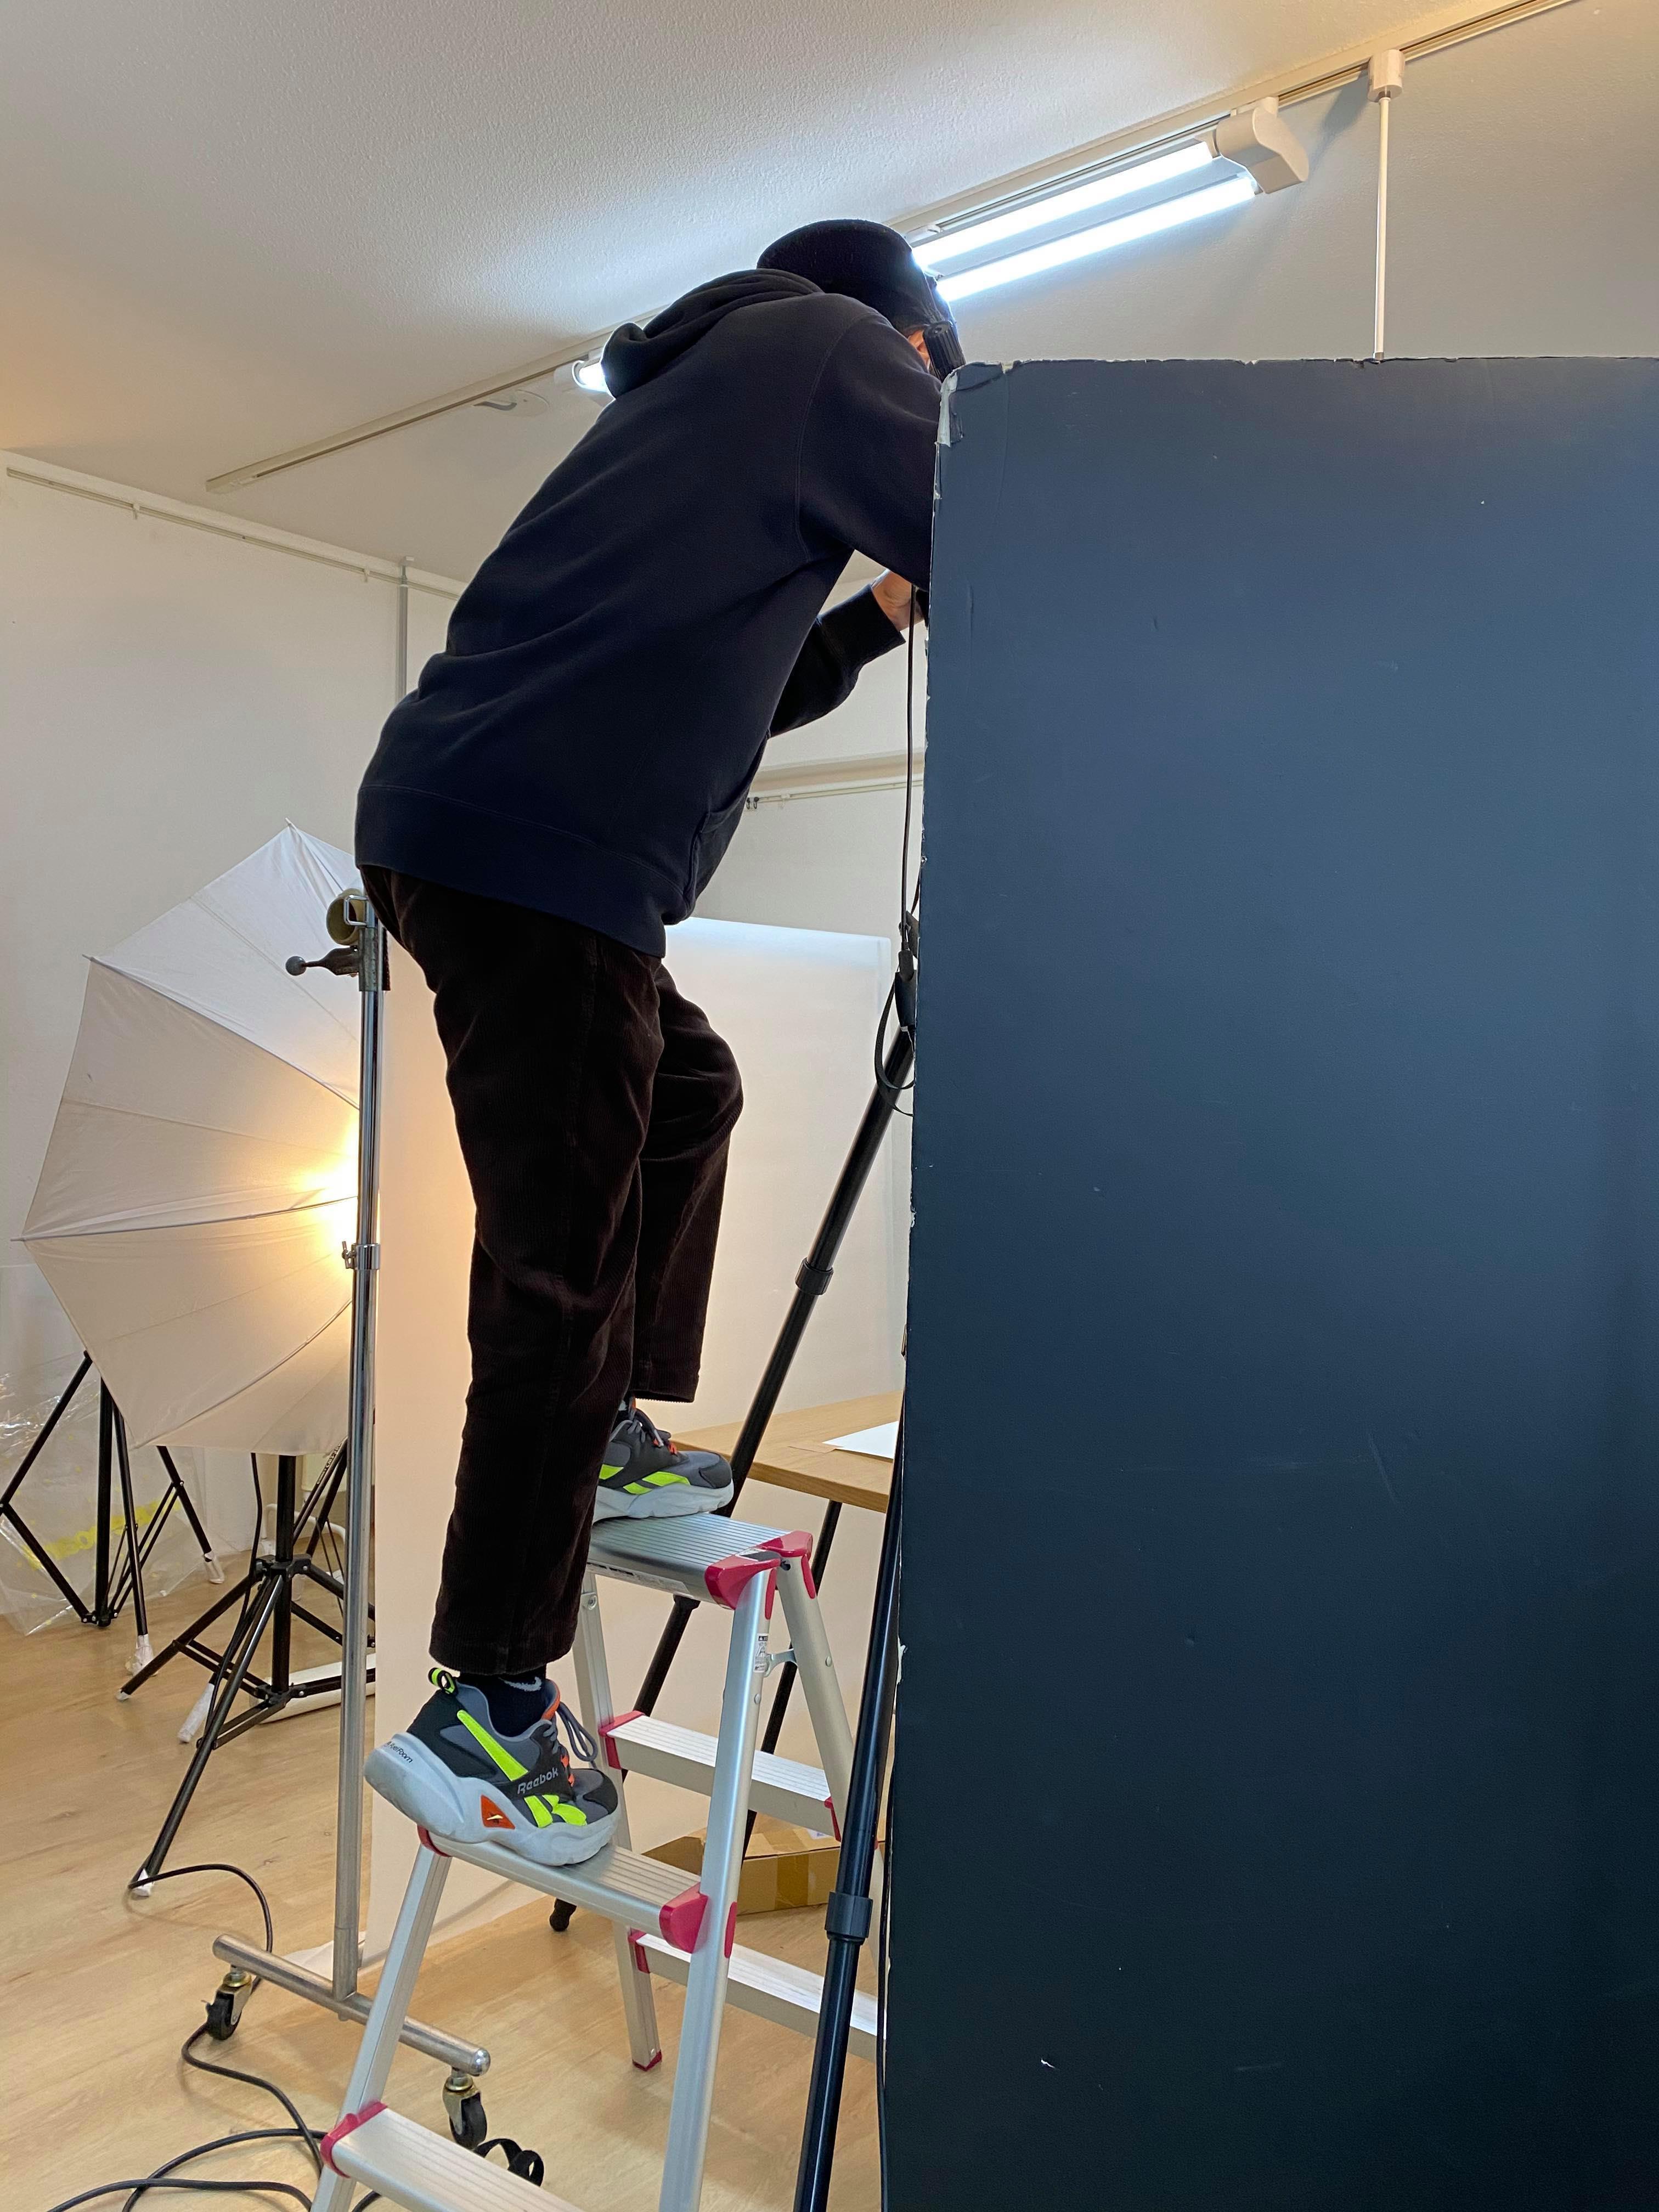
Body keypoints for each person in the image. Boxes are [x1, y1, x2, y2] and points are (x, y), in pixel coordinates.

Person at [357, 219, 956, 1866]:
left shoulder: (710, 399)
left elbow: (757, 686)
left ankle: (610, 1441)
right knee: (558, 1267)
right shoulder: (831, 342)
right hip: (543, 857)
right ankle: (489, 1701)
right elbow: (999, 519)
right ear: (904, 340)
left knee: (689, 1088)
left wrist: (878, 616)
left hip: (481, 830)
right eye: (929, 380)